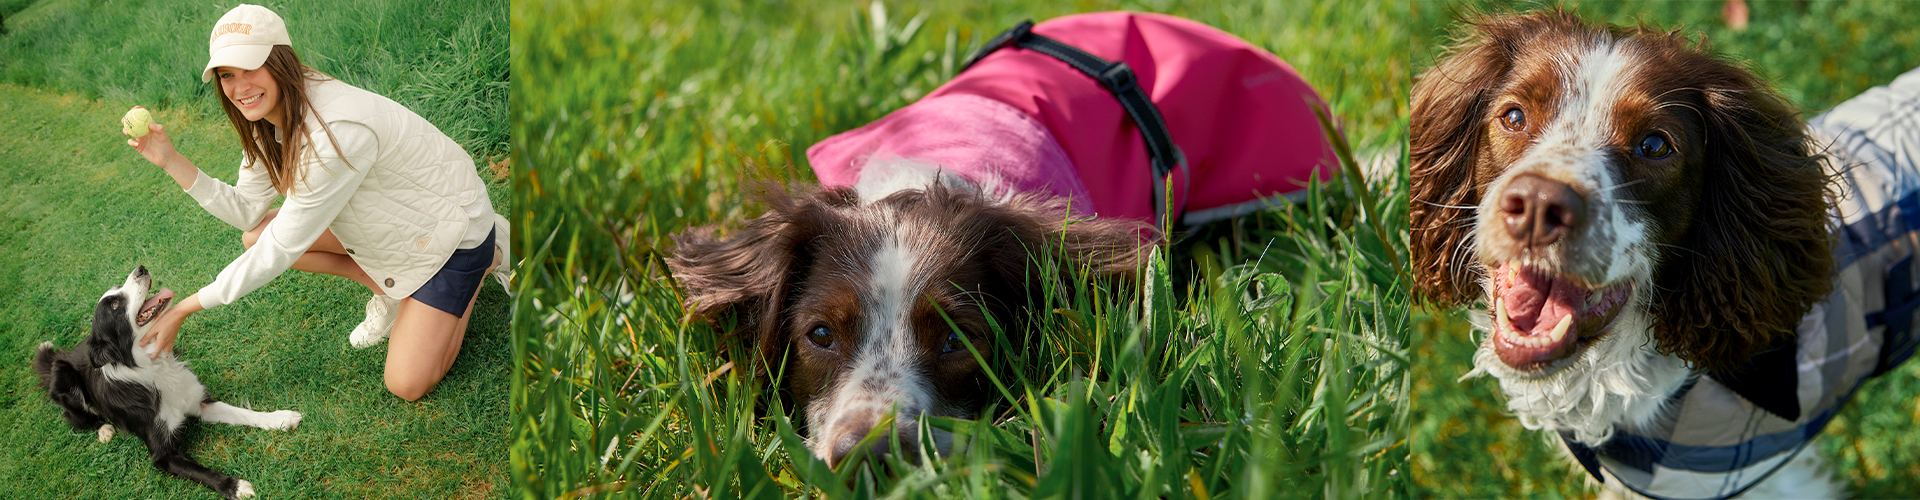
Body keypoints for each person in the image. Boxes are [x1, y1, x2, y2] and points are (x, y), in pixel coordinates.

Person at [126, 4, 510, 401]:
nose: (240, 87)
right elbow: (246, 211)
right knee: (254, 235)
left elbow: (282, 247)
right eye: (227, 75)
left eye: (250, 68)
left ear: (280, 59)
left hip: (451, 232)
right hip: (402, 220)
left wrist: (185, 308)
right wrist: (170, 160)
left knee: (407, 383)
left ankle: (488, 257)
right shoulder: (272, 116)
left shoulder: (335, 131)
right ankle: (392, 290)